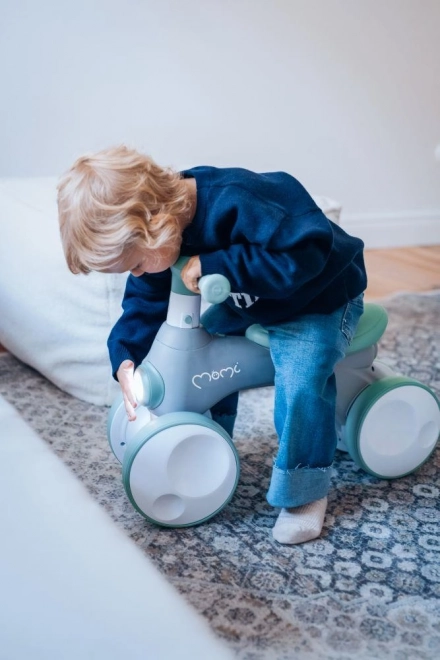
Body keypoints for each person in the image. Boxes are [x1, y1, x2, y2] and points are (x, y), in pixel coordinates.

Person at [57, 145, 367, 545]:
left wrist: (222, 265)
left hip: (318, 297)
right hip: (253, 300)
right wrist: (127, 357)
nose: (137, 273)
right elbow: (145, 301)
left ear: (156, 225)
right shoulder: (159, 238)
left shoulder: (240, 198)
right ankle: (210, 434)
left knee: (302, 377)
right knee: (206, 344)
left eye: (134, 264)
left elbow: (308, 252)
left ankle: (304, 491)